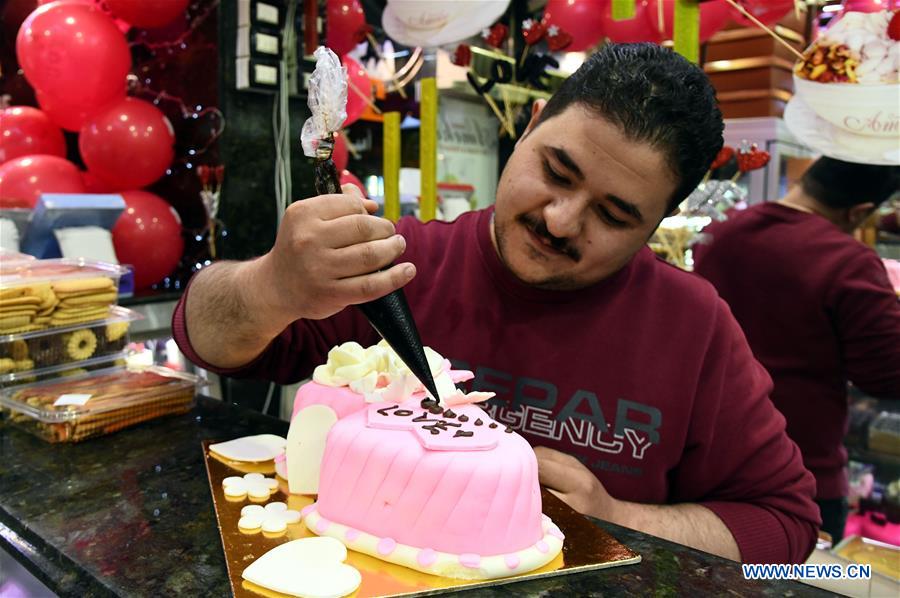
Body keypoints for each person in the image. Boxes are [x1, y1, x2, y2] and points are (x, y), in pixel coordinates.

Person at [174, 44, 819, 564]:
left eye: (615, 214)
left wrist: (620, 517)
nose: (562, 221)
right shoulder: (403, 261)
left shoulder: (692, 326)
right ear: (530, 124)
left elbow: (785, 528)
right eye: (557, 172)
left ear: (659, 222)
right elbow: (203, 338)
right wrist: (272, 286)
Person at [693, 157, 900, 543]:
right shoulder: (848, 261)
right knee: (801, 582)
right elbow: (887, 374)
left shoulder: (721, 231)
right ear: (861, 211)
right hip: (802, 476)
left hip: (708, 463)